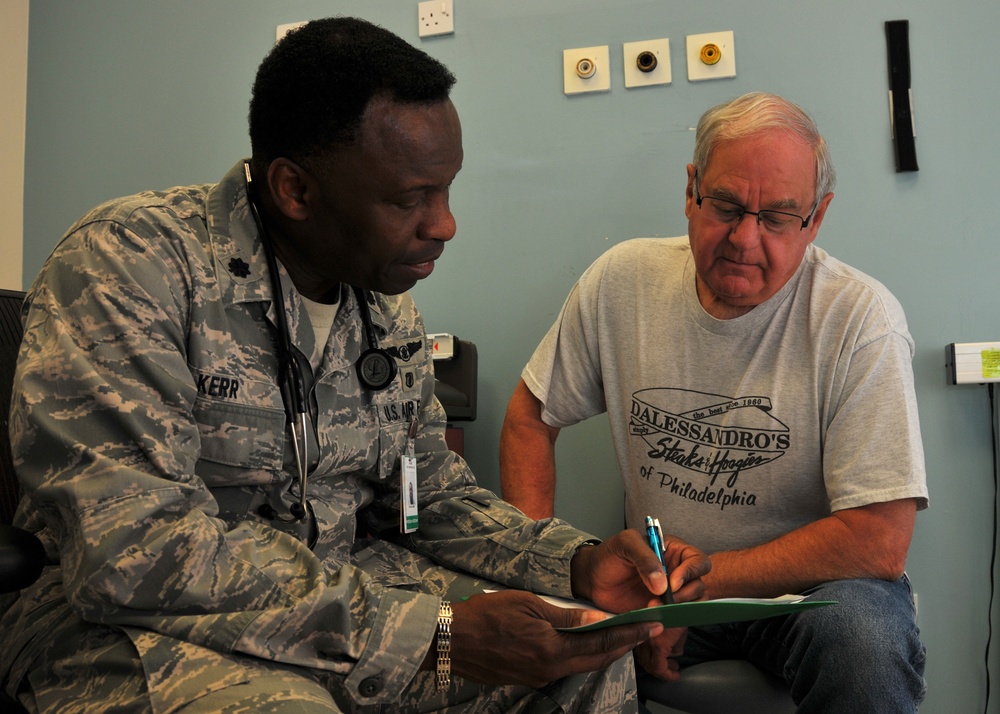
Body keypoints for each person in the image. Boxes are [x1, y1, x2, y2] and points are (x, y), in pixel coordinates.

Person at [0, 17, 710, 714]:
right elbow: (133, 552)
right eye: (410, 198)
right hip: (134, 628)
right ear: (295, 190)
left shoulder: (384, 307)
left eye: (447, 189)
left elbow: (429, 499)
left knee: (581, 652)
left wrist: (575, 563)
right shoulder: (130, 266)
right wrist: (435, 635)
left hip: (349, 606)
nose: (445, 224)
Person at [500, 92, 928, 712]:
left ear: (816, 218)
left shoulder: (861, 319)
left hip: (811, 596)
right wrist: (535, 565)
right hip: (659, 584)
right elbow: (530, 417)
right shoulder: (623, 281)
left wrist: (696, 586)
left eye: (778, 217)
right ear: (691, 191)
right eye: (726, 206)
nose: (745, 239)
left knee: (864, 642)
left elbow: (878, 540)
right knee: (528, 636)